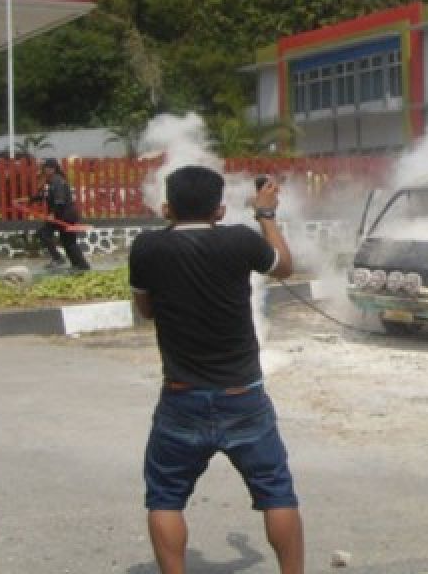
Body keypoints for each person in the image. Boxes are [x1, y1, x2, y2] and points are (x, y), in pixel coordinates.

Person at [129, 166, 302, 574]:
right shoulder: (239, 241)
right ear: (220, 209)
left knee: (166, 498)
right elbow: (283, 267)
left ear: (166, 207)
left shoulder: (147, 248)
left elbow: (146, 309)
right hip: (243, 395)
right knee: (276, 493)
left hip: (181, 395)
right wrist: (265, 214)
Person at [26, 158, 89, 272]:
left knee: (67, 241)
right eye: (44, 168)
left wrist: (52, 214)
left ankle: (80, 265)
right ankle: (71, 262)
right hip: (61, 215)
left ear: (52, 169)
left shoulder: (57, 181)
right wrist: (32, 199)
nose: (44, 170)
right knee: (55, 237)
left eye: (46, 168)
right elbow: (45, 195)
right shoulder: (51, 182)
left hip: (66, 215)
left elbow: (59, 200)